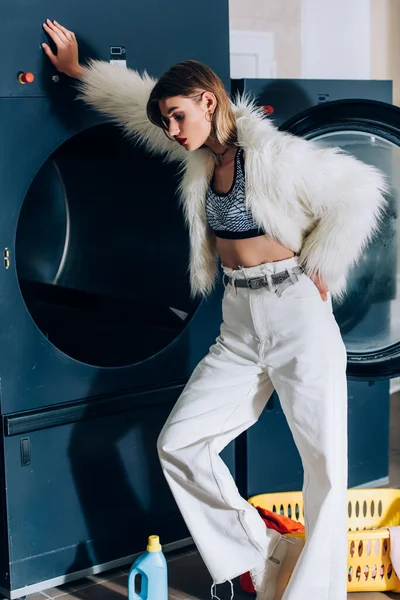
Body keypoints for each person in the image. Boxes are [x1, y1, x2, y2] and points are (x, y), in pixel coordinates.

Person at [42, 19, 387, 600]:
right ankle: (265, 553)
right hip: (240, 321)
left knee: (325, 466)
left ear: (209, 100)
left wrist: (326, 262)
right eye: (166, 122)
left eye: (178, 115)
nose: (172, 131)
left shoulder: (274, 154)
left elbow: (361, 191)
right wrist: (80, 72)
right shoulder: (199, 155)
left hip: (296, 311)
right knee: (180, 442)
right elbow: (136, 104)